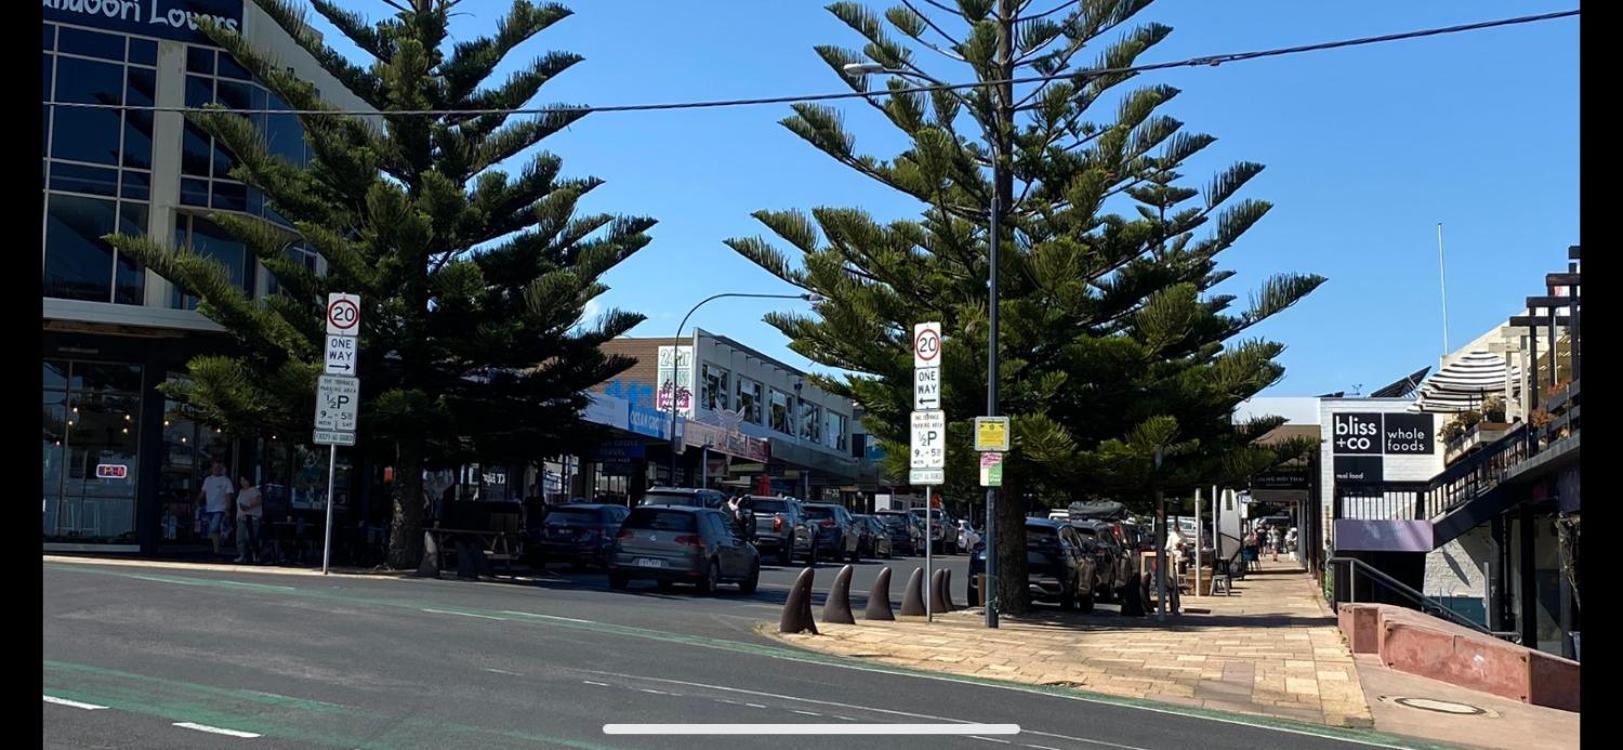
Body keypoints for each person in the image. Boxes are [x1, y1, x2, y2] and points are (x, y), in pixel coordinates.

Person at [198, 462, 235, 556]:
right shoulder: (208, 480)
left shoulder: (226, 480)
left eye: (218, 467)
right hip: (209, 508)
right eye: (214, 467)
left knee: (213, 528)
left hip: (220, 508)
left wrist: (227, 508)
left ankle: (218, 546)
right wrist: (197, 501)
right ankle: (216, 549)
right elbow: (203, 492)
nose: (216, 469)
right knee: (215, 530)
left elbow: (228, 495)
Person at [234, 476, 263, 563]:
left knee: (250, 537)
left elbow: (259, 501)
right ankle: (242, 555)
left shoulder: (254, 490)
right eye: (241, 480)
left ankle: (254, 555)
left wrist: (248, 506)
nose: (242, 482)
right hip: (241, 517)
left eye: (244, 480)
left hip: (252, 517)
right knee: (240, 537)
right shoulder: (241, 492)